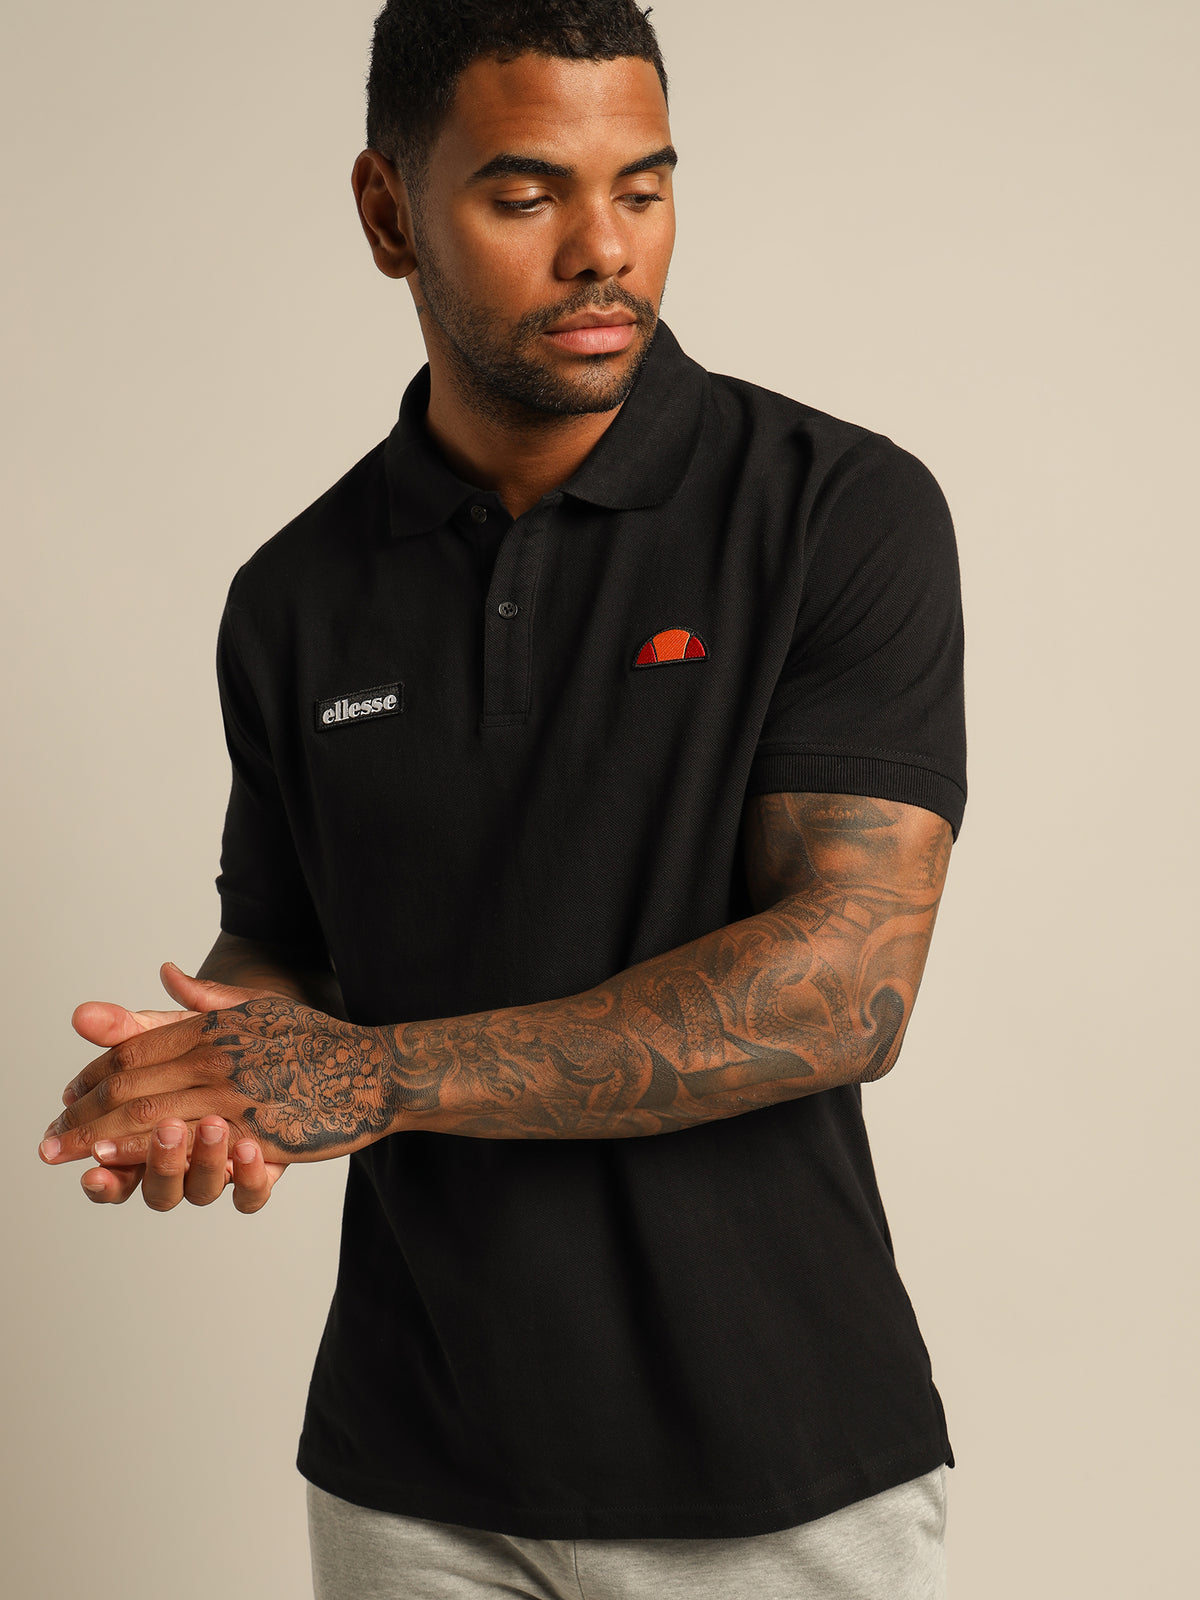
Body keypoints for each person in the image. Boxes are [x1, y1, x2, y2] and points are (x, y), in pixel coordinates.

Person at [40, 3, 966, 1595]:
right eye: (527, 195)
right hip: (412, 1478)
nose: (603, 248)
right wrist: (208, 1076)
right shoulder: (295, 596)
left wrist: (372, 1077)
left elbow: (843, 990)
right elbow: (286, 951)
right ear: (389, 211)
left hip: (772, 1471)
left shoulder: (837, 510)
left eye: (645, 187)